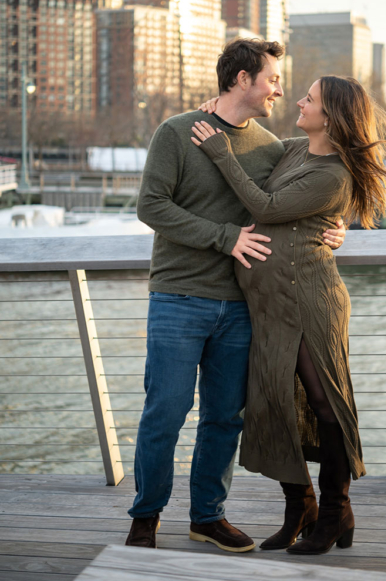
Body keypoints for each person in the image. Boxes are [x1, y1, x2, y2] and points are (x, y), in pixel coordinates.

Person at [125, 39, 346, 553]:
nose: (280, 89)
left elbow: (318, 183)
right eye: (271, 78)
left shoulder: (273, 146)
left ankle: (207, 516)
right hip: (179, 299)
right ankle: (146, 516)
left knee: (225, 418)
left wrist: (339, 229)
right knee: (165, 412)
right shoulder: (178, 131)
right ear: (242, 79)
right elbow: (151, 207)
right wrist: (225, 238)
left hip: (244, 307)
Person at [191, 74, 386, 555]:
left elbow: (264, 204)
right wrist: (222, 111)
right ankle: (299, 507)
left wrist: (220, 152)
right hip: (271, 304)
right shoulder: (296, 150)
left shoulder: (334, 174)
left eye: (310, 99)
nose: (298, 102)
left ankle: (334, 513)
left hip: (309, 301)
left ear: (332, 116)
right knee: (275, 404)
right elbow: (251, 138)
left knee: (326, 407)